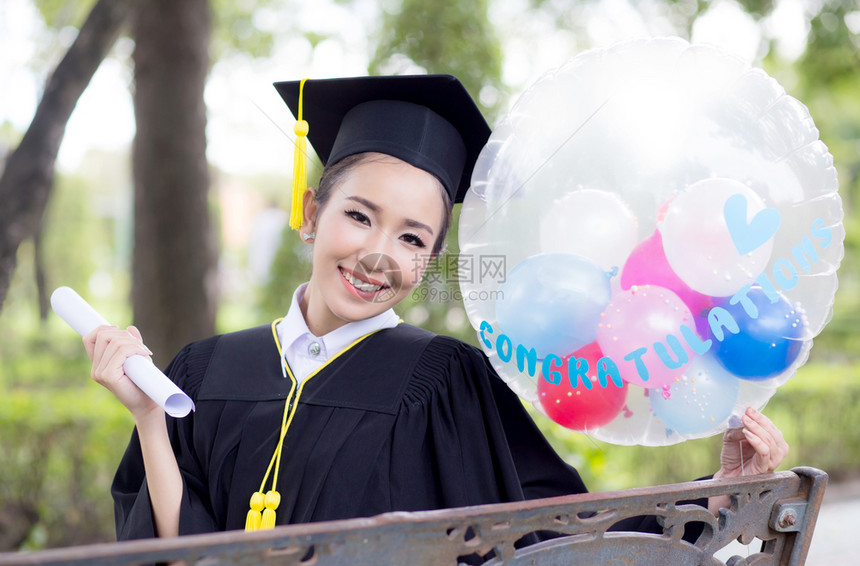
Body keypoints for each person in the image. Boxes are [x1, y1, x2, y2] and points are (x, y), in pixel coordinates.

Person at [83, 75, 789, 545]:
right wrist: (149, 417)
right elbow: (184, 556)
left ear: (426, 264)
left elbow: (555, 537)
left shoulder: (446, 383)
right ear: (310, 213)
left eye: (413, 238)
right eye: (359, 216)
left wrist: (717, 498)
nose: (378, 253)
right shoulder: (202, 373)